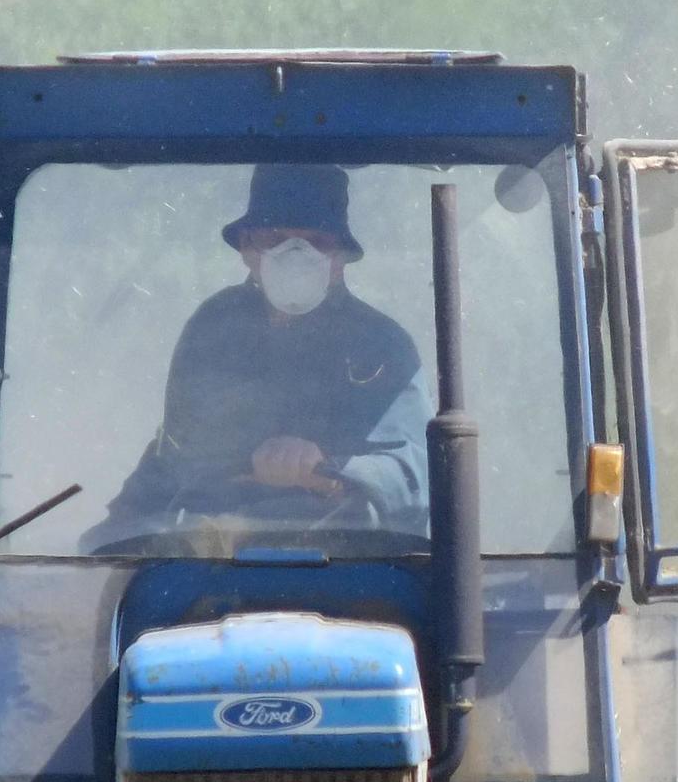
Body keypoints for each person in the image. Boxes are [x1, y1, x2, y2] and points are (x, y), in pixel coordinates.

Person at [85, 163, 428, 548]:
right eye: (276, 238)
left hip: (353, 565)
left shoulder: (382, 342)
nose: (296, 254)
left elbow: (414, 475)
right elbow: (175, 452)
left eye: (317, 241)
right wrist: (116, 534)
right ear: (247, 248)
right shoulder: (214, 326)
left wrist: (327, 469)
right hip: (208, 564)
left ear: (340, 258)